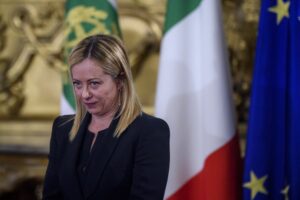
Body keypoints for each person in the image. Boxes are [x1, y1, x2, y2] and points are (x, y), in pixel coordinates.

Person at [42, 34, 170, 200]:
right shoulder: (62, 128)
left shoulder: (149, 131)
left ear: (120, 81)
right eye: (77, 84)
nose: (85, 94)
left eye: (94, 83)